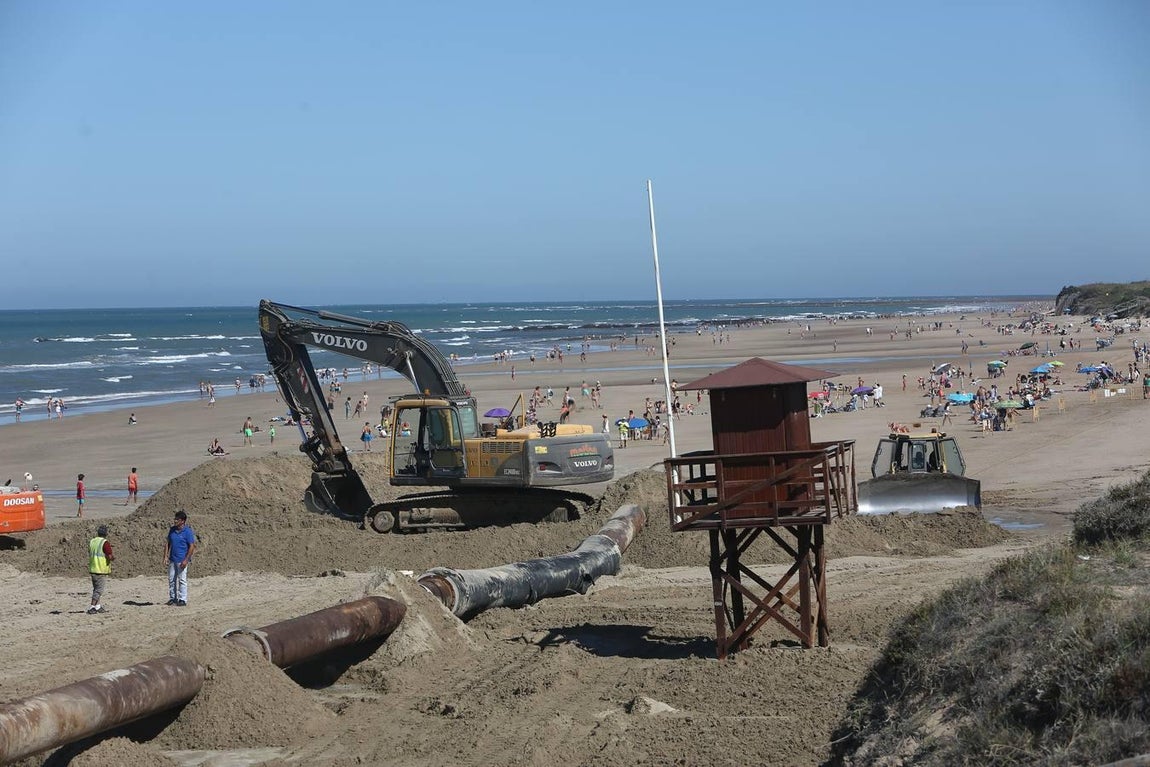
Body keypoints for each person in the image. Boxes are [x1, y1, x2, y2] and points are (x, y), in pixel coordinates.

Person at [163, 510, 196, 606]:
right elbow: (168, 543)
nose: (175, 521)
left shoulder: (188, 532)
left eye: (177, 519)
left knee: (182, 580)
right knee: (171, 579)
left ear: (182, 521)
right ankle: (173, 598)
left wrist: (186, 560)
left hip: (182, 560)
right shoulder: (172, 530)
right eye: (175, 519)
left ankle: (182, 599)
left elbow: (192, 546)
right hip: (172, 559)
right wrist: (165, 556)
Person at [87, 524, 114, 614]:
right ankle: (92, 606)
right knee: (99, 590)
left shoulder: (92, 541)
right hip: (100, 569)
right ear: (106, 534)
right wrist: (113, 558)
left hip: (93, 568)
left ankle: (97, 607)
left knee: (96, 588)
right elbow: (109, 556)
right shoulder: (105, 543)